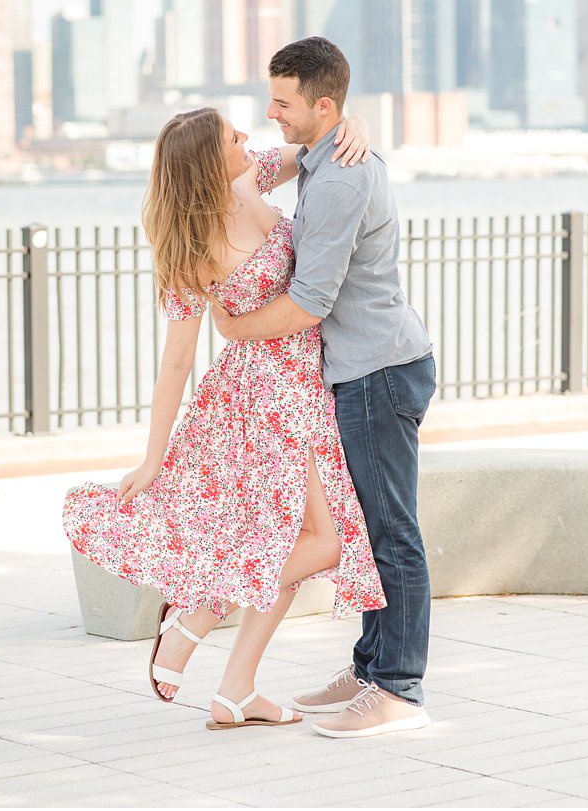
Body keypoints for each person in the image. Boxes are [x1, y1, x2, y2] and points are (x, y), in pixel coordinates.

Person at [63, 105, 384, 731]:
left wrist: (359, 126)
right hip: (263, 402)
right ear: (210, 159)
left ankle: (236, 691)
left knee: (291, 541)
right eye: (232, 137)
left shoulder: (250, 177)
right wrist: (154, 457)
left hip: (302, 385)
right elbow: (176, 363)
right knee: (325, 541)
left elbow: (320, 141)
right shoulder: (191, 249)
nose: (247, 138)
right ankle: (196, 616)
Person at [211, 35, 437, 740]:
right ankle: (371, 666)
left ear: (322, 103)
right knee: (370, 528)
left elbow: (309, 302)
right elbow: (249, 166)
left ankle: (396, 687)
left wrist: (236, 328)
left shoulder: (338, 177)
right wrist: (348, 127)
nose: (270, 114)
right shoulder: (323, 151)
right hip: (363, 367)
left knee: (390, 532)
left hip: (375, 371)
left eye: (282, 102)